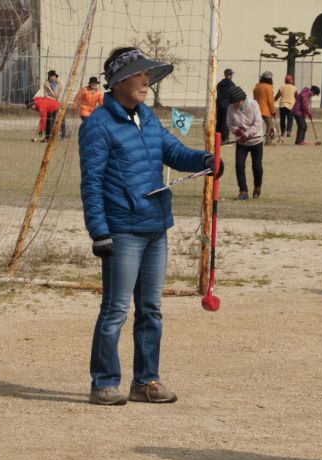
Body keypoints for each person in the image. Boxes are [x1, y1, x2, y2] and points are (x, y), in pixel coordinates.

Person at [79, 47, 221, 406]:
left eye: (148, 75)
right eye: (139, 75)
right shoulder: (97, 125)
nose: (146, 82)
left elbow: (171, 151)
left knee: (151, 309)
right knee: (115, 310)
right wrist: (99, 232)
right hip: (122, 230)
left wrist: (204, 160)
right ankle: (104, 382)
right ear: (119, 81)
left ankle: (146, 381)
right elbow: (91, 183)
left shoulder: (148, 116)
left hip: (156, 225)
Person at [226, 86, 264, 199]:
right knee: (239, 165)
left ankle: (257, 187)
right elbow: (229, 124)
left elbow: (258, 123)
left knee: (257, 167)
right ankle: (243, 191)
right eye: (233, 103)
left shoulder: (253, 105)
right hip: (241, 142)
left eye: (236, 102)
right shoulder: (230, 108)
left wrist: (246, 134)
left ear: (242, 100)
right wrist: (236, 131)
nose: (235, 105)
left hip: (255, 140)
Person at [253, 71, 277, 144]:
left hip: (256, 108)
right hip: (265, 110)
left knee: (257, 125)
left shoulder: (257, 86)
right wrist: (273, 111)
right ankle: (268, 140)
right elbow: (271, 100)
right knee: (270, 124)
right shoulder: (269, 87)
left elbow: (254, 96)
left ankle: (255, 140)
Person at [215, 68, 236, 141]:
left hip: (218, 104)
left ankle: (217, 137)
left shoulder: (220, 83)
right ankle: (224, 138)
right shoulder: (231, 84)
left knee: (219, 121)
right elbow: (233, 95)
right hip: (227, 105)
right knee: (226, 122)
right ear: (230, 75)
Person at [274, 74, 297, 140]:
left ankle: (283, 132)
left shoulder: (282, 87)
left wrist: (273, 101)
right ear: (291, 81)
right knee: (290, 119)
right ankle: (288, 131)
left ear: (285, 80)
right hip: (291, 105)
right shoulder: (294, 87)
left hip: (282, 105)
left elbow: (278, 95)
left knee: (282, 120)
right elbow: (296, 96)